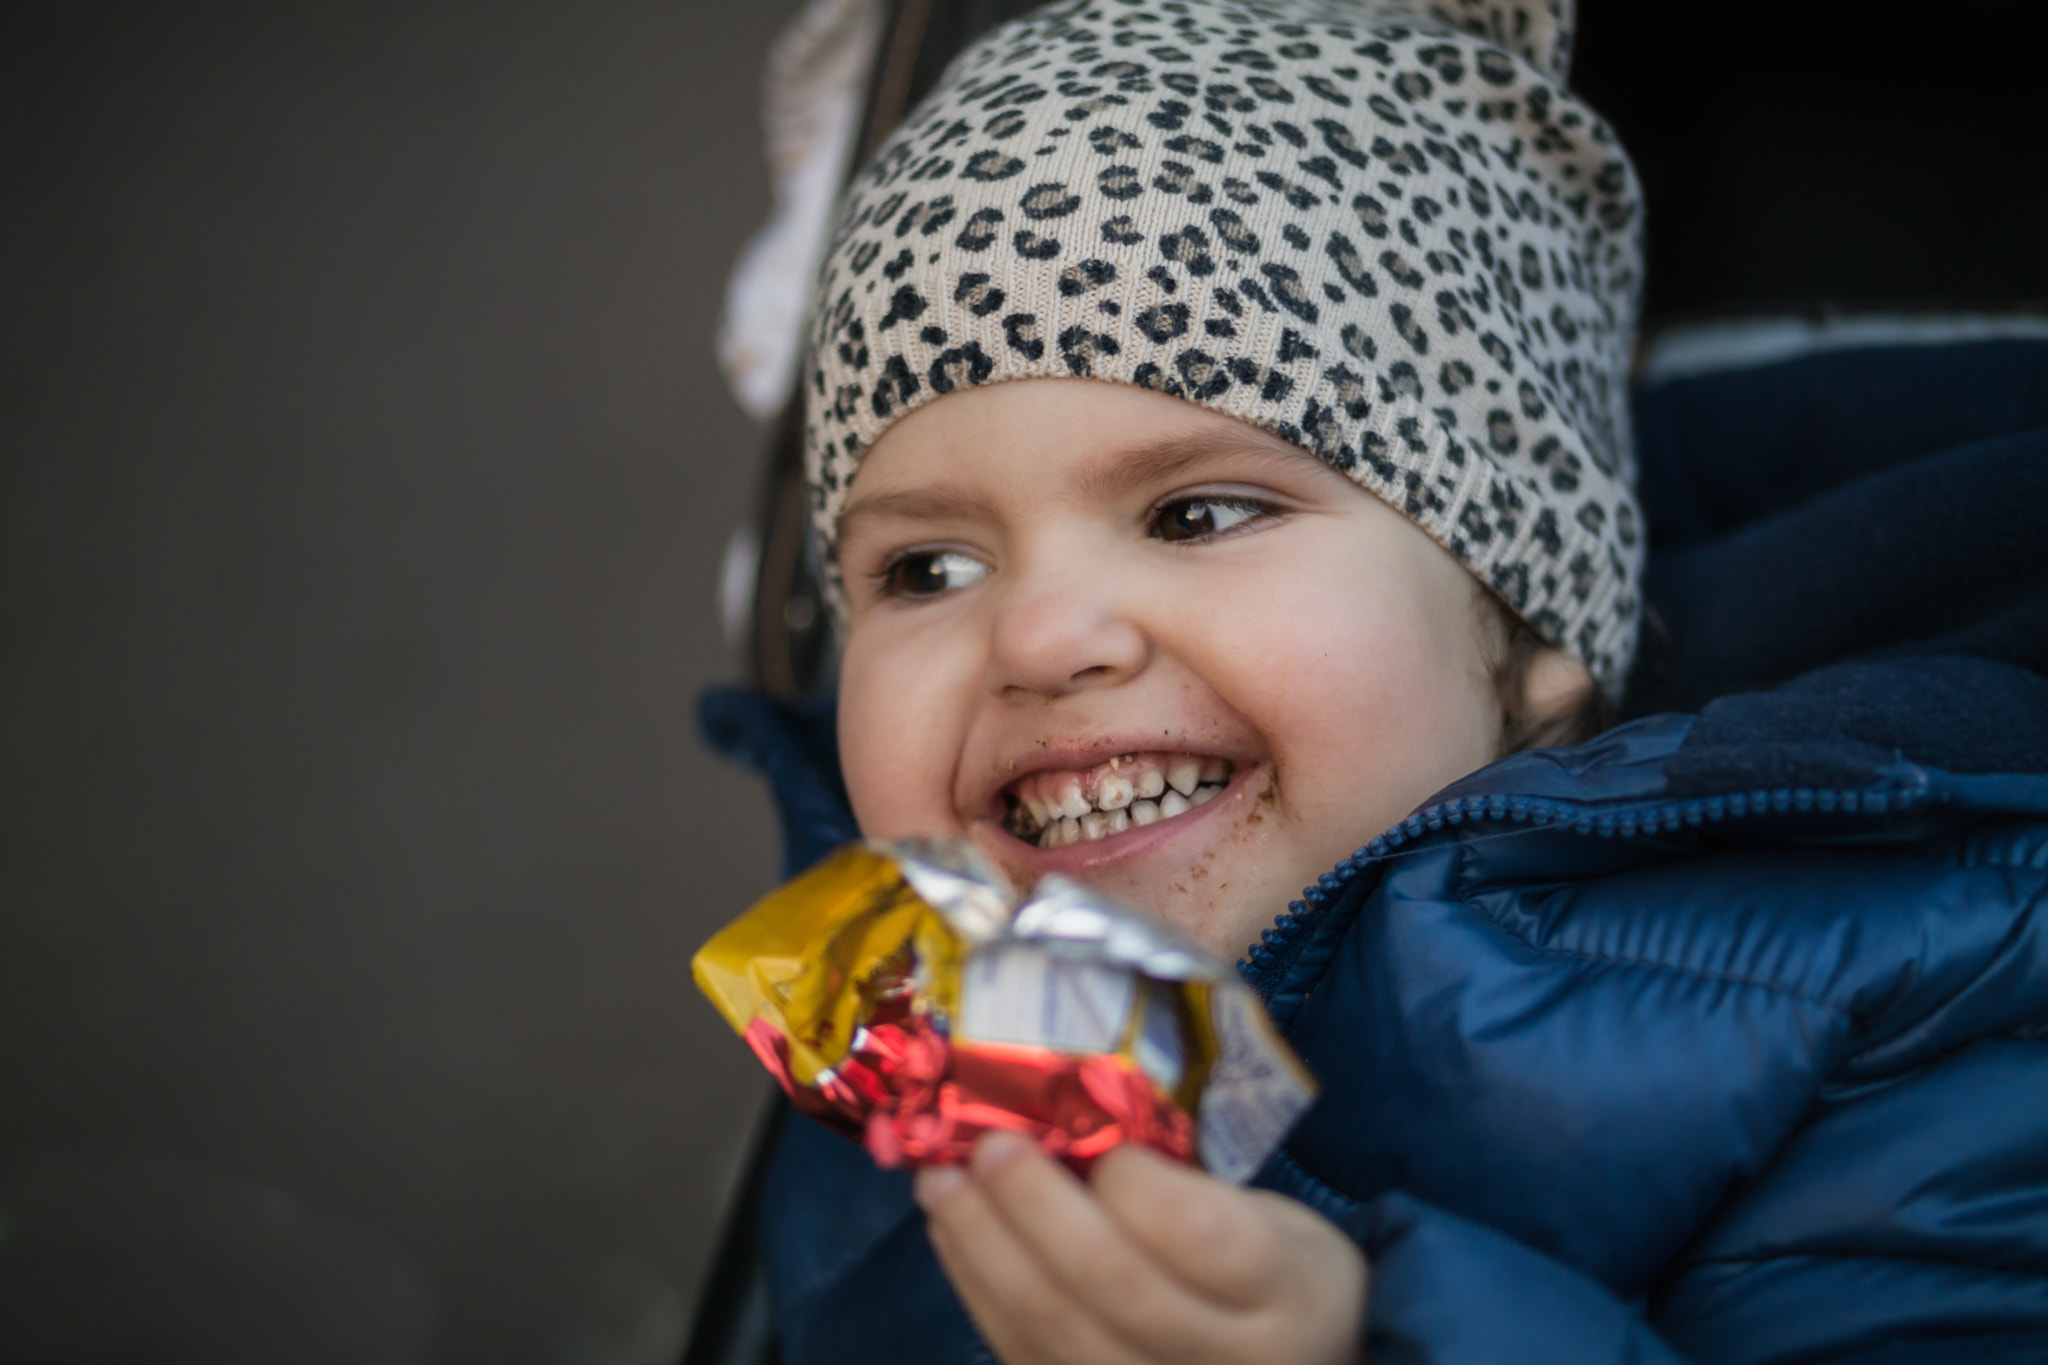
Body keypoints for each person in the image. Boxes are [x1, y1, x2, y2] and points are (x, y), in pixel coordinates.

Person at [699, 0, 2048, 1360]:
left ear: (1523, 617)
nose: (1040, 637)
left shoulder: (1905, 983)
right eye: (925, 567)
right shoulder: (888, 1016)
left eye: (1198, 514)